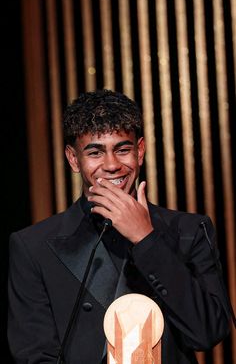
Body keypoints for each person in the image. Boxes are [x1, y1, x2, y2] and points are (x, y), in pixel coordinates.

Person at [8, 89, 231, 363]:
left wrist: (146, 239)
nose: (112, 165)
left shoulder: (190, 230)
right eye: (95, 152)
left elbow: (208, 333)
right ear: (73, 159)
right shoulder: (33, 246)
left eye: (122, 149)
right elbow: (34, 355)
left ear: (139, 151)